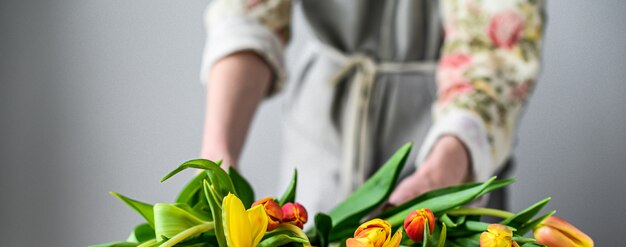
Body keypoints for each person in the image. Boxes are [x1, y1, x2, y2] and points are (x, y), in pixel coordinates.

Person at [199, 0, 544, 214]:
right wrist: (218, 154)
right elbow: (250, 14)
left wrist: (444, 172)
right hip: (323, 129)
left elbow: (495, 47)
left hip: (449, 141)